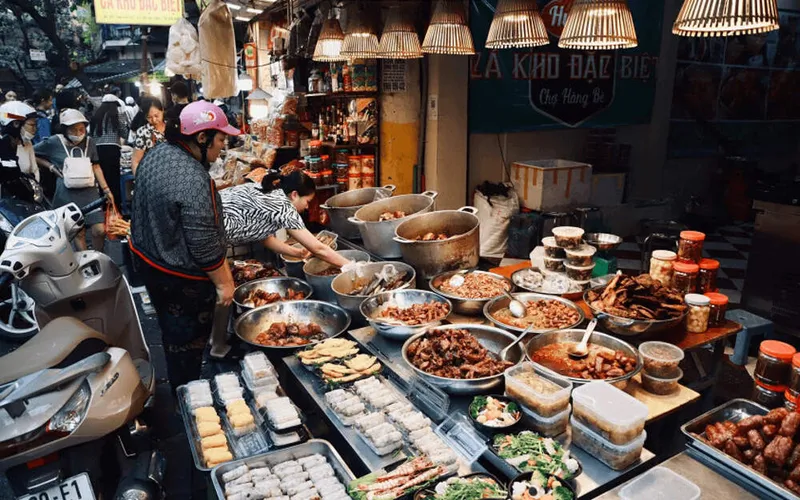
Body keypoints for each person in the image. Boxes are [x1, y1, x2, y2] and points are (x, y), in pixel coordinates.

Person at [129, 100, 239, 391]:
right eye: (220, 140)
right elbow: (203, 244)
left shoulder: (157, 154)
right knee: (188, 340)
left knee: (172, 334)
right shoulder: (192, 178)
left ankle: (181, 385)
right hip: (180, 278)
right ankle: (189, 396)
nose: (221, 149)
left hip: (150, 261)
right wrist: (225, 284)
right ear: (201, 138)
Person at [220, 171, 351, 268]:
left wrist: (298, 253)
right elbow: (319, 249)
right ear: (294, 195)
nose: (307, 207)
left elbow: (265, 238)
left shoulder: (269, 190)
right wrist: (351, 266)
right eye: (307, 201)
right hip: (205, 233)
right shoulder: (283, 206)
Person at [34, 109, 114, 252]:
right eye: (73, 130)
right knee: (79, 232)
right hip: (66, 194)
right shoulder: (53, 142)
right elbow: (32, 152)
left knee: (99, 230)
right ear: (65, 130)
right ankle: (85, 262)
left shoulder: (90, 142)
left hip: (90, 194)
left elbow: (96, 166)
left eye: (81, 129)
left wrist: (106, 189)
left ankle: (98, 256)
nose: (78, 133)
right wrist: (51, 167)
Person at [91, 94, 129, 203]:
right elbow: (125, 134)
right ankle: (116, 206)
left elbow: (91, 135)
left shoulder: (95, 116)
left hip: (98, 150)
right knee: (114, 180)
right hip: (113, 150)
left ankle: (105, 205)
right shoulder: (117, 116)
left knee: (103, 179)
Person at [0, 101, 39, 201]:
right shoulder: (3, 147)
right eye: (31, 124)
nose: (35, 129)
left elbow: (34, 170)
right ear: (16, 124)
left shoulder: (26, 143)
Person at [131, 97, 165, 174]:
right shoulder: (143, 132)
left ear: (162, 110)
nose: (154, 120)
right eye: (149, 117)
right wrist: (139, 181)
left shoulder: (171, 127)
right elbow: (135, 161)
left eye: (156, 115)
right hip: (153, 174)